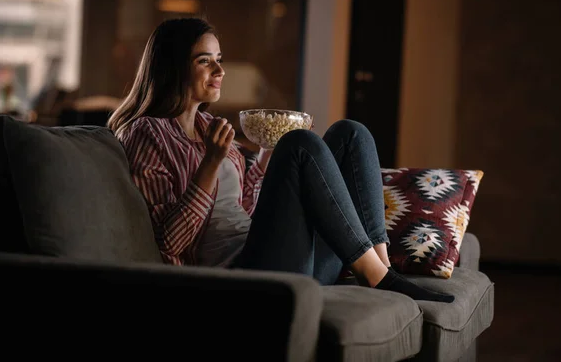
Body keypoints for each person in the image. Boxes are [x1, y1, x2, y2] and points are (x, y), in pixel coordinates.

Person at [108, 18, 454, 303]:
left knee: (351, 134)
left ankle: (379, 264)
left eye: (219, 59)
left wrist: (264, 157)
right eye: (204, 60)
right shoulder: (146, 133)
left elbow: (245, 208)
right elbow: (169, 242)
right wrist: (209, 165)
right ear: (173, 67)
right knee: (300, 143)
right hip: (239, 276)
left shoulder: (210, 127)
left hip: (283, 257)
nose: (220, 70)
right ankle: (378, 277)